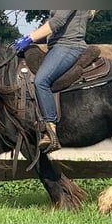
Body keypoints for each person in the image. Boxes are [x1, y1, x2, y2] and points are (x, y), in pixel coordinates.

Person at [13, 10, 95, 153]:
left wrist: (29, 38)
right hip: (56, 48)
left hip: (69, 46)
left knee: (41, 80)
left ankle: (50, 130)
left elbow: (57, 21)